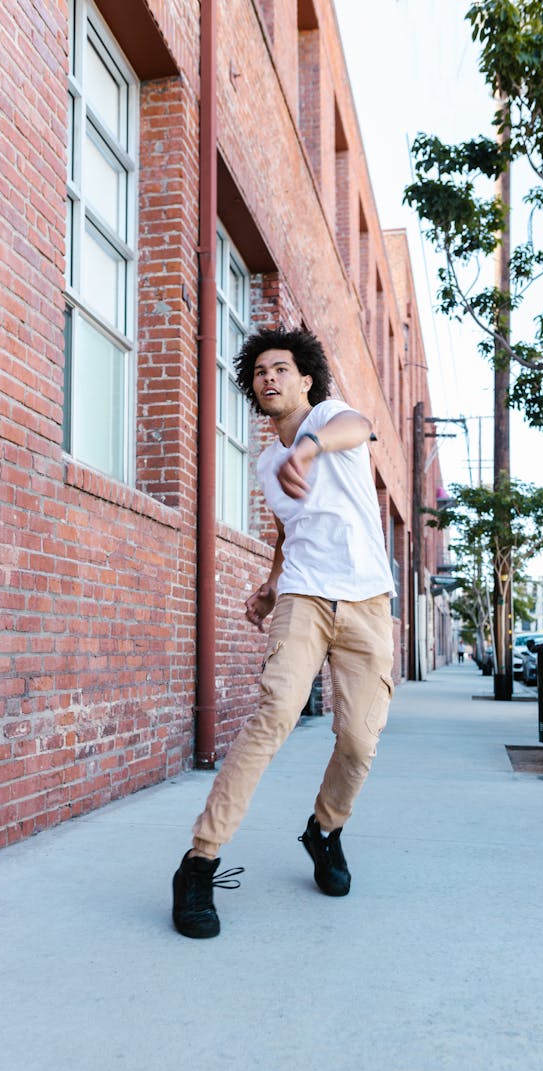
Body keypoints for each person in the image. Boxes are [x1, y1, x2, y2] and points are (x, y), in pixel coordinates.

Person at [172, 327, 395, 939]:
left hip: (368, 603)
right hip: (302, 596)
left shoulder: (330, 419)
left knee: (359, 740)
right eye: (259, 372)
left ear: (304, 379)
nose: (268, 378)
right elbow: (286, 529)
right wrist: (272, 585)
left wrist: (311, 448)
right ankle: (199, 861)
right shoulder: (268, 462)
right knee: (274, 715)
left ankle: (325, 831)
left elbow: (361, 424)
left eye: (280, 368)